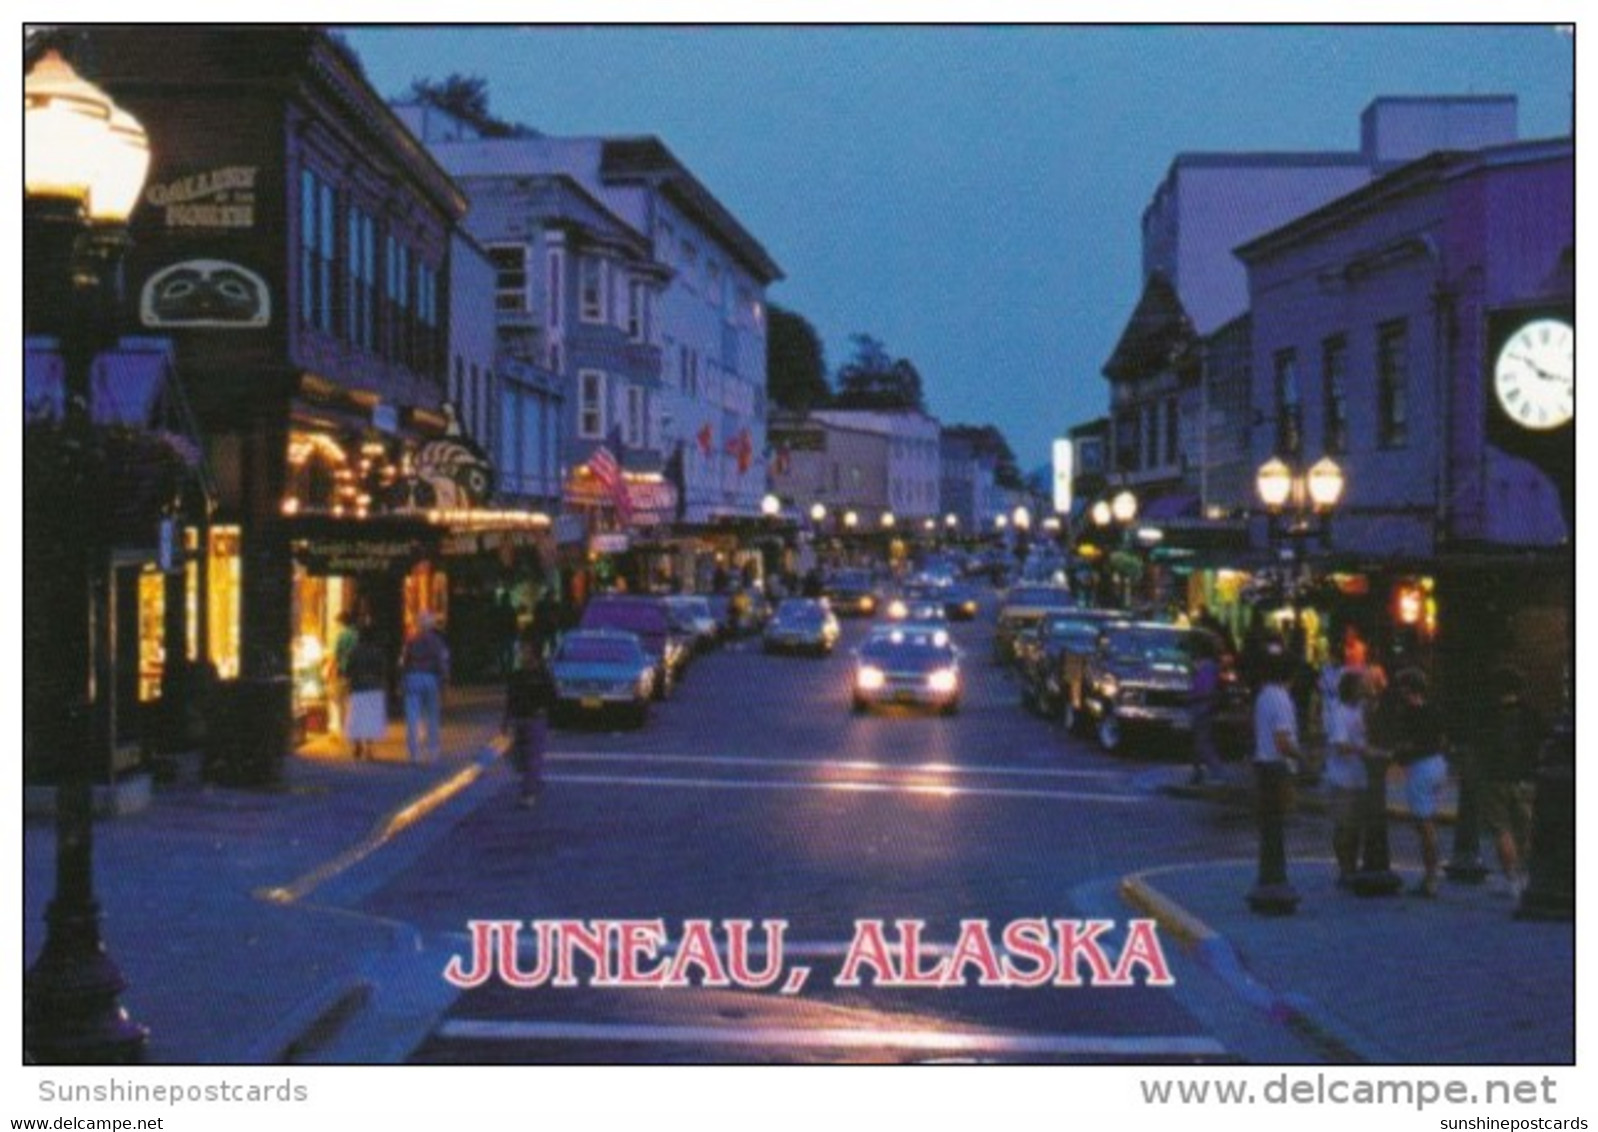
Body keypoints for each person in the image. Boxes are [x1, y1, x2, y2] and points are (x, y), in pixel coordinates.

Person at [1378, 668, 1448, 897]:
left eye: (1402, 689)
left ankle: (1430, 878)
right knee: (1428, 823)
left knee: (1423, 824)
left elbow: (1408, 746)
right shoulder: (1435, 710)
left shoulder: (1410, 714)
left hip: (1421, 768)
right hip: (1438, 763)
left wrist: (1395, 756)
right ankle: (1432, 874)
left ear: (1409, 690)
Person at [1475, 666, 1544, 898]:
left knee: (1502, 829)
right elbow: (1543, 741)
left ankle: (1512, 879)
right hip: (1525, 777)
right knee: (1524, 829)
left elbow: (1481, 745)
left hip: (1496, 777)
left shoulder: (1489, 714)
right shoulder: (1531, 714)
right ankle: (1525, 876)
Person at [1250, 646, 1303, 910]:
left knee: (1269, 828)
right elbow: (1282, 741)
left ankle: (1267, 877)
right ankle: (1276, 880)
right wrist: (1301, 757)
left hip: (1263, 764)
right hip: (1276, 767)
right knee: (1276, 827)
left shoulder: (1263, 697)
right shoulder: (1282, 699)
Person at [1324, 669, 1372, 886]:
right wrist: (1364, 751)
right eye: (1362, 685)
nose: (1365, 688)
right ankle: (1345, 868)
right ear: (1351, 688)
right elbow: (1340, 745)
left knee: (1356, 826)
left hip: (1360, 777)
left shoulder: (1363, 711)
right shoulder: (1339, 713)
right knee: (1344, 826)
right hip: (1342, 778)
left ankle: (1353, 864)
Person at [503, 639, 556, 808]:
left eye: (526, 651)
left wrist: (545, 711)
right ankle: (533, 782)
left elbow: (552, 697)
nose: (522, 654)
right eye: (522, 651)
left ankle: (528, 793)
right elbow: (510, 698)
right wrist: (505, 720)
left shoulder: (543, 675)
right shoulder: (517, 675)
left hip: (535, 719)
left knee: (533, 756)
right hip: (519, 718)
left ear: (535, 654)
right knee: (518, 757)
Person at [399, 611, 450, 764]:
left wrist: (402, 679)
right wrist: (444, 679)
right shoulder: (436, 641)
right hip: (430, 678)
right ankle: (432, 751)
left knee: (412, 716)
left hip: (412, 677)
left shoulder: (410, 640)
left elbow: (404, 661)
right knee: (432, 715)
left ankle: (413, 752)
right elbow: (442, 661)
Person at [343, 627, 388, 761]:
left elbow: (347, 670)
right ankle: (369, 748)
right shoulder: (378, 652)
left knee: (357, 717)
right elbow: (382, 670)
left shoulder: (354, 652)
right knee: (370, 718)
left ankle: (357, 745)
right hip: (374, 687)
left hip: (358, 687)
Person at [1188, 632, 1225, 786]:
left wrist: (1194, 697)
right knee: (1199, 741)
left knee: (1202, 742)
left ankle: (1217, 772)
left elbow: (1205, 689)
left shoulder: (1206, 666)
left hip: (1202, 706)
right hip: (1201, 706)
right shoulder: (1207, 665)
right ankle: (1197, 772)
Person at [327, 610, 359, 737]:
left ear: (342, 622)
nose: (336, 626)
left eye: (337, 623)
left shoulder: (342, 635)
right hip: (356, 670)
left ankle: (341, 728)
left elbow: (336, 655)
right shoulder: (357, 634)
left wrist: (330, 670)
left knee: (339, 700)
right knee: (351, 700)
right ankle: (352, 727)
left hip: (343, 670)